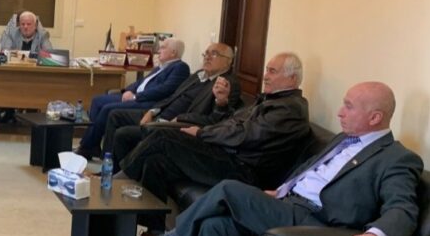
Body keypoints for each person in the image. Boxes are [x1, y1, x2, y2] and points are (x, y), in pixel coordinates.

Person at [165, 81, 424, 236]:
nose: (339, 112)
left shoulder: (397, 158)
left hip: (316, 222)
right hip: (288, 204)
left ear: (375, 118)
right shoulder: (343, 139)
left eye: (349, 106)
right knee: (214, 227)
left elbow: (402, 208)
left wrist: (375, 234)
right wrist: (281, 190)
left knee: (228, 189)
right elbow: (310, 171)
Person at [117, 52, 311, 204]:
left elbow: (245, 135)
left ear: (292, 79)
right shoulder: (271, 100)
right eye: (267, 70)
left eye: (272, 72)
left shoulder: (289, 109)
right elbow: (232, 123)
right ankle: (153, 229)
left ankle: (117, 183)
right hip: (226, 155)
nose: (265, 76)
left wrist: (202, 133)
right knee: (155, 162)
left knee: (163, 136)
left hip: (243, 169)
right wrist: (222, 104)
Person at [104, 43, 240, 155]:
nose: (208, 57)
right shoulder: (199, 74)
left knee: (123, 134)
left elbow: (215, 120)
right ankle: (106, 162)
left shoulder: (226, 84)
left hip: (176, 126)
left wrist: (181, 118)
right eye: (206, 53)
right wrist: (152, 111)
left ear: (228, 61)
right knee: (115, 115)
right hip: (161, 114)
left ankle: (117, 173)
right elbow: (173, 96)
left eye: (214, 54)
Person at [74, 38, 190, 159]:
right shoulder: (160, 67)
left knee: (107, 109)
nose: (159, 50)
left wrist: (135, 96)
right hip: (136, 97)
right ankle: (93, 144)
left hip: (148, 102)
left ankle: (88, 146)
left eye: (163, 47)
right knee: (97, 101)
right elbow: (141, 82)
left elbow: (164, 90)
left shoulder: (180, 67)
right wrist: (127, 91)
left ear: (173, 52)